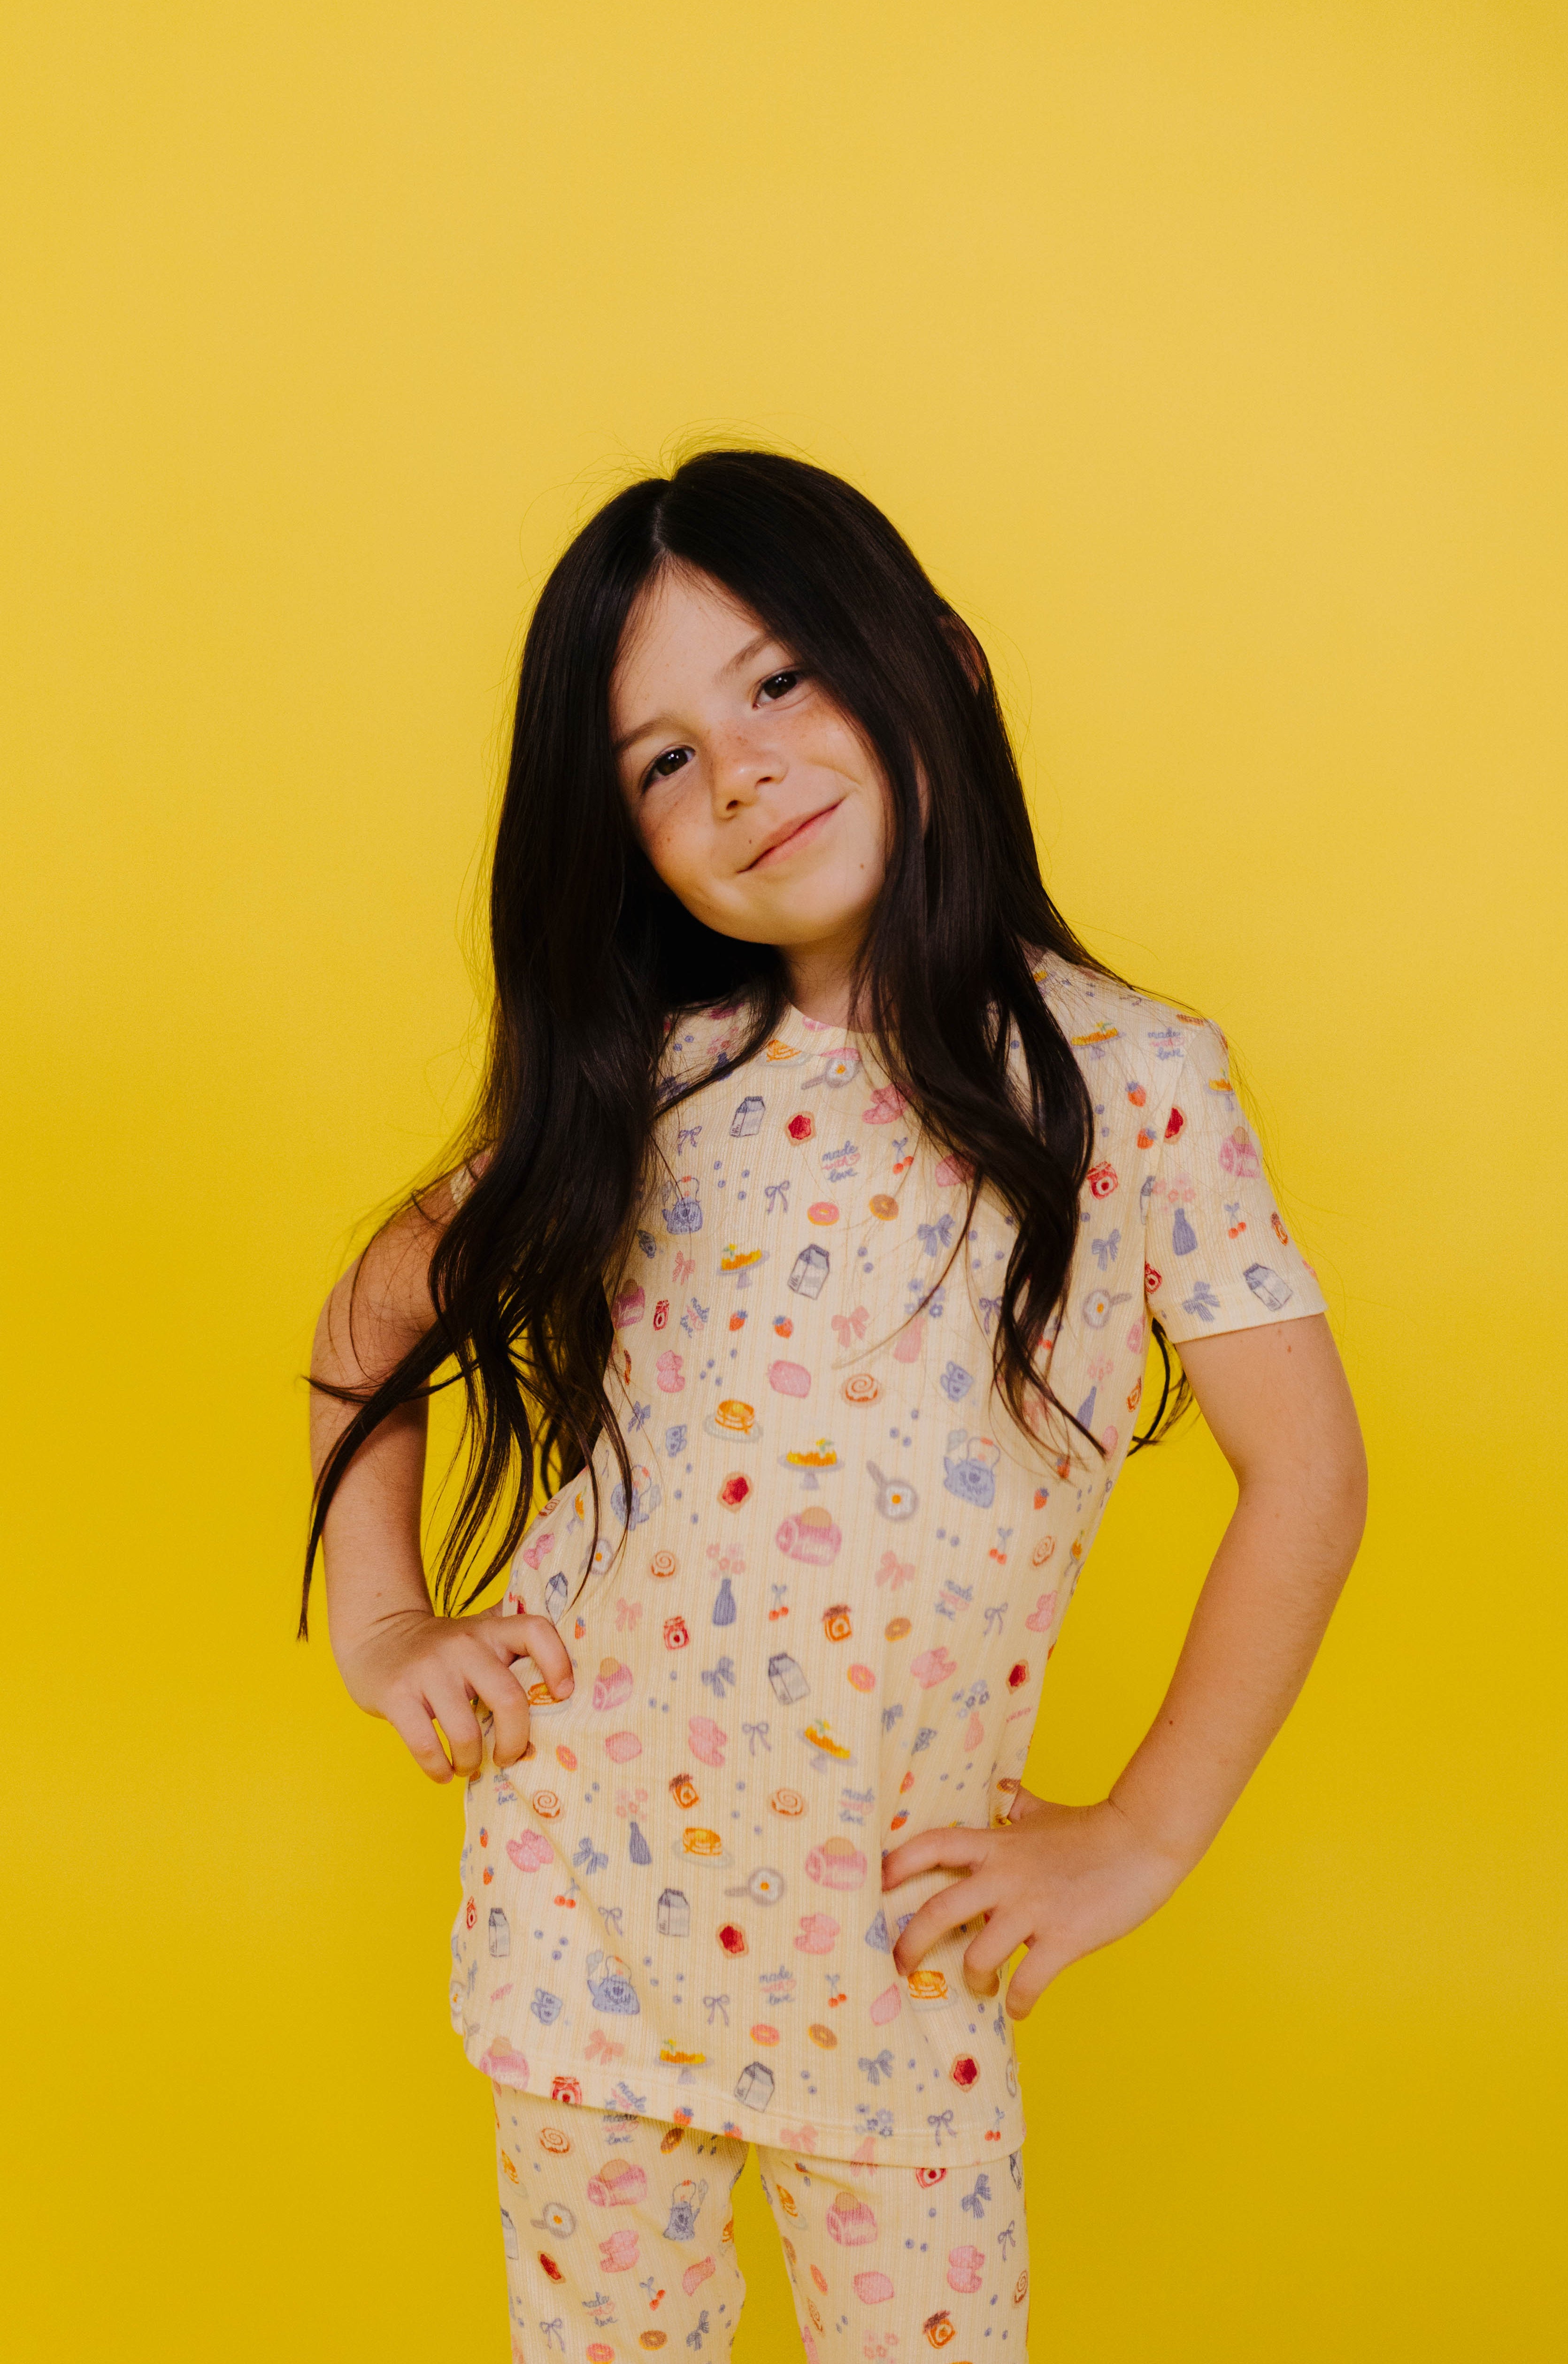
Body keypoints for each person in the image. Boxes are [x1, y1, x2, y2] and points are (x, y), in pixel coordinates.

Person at [306, 449, 1367, 2362]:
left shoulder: (1135, 1082)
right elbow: (385, 1301)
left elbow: (1304, 1471)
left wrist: (1143, 1830)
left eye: (780, 681)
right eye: (661, 760)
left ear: (938, 662)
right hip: (583, 1920)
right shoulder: (657, 1077)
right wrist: (384, 1622)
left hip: (892, 1957)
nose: (740, 773)